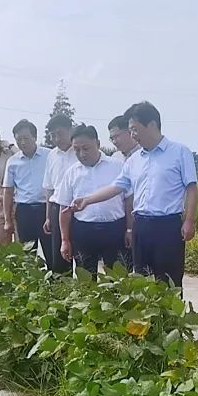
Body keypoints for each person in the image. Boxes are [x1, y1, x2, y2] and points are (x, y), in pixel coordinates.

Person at [72, 101, 198, 287]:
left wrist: (189, 221)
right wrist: (88, 200)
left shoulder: (179, 152)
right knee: (141, 280)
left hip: (168, 226)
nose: (132, 135)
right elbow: (117, 186)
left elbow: (192, 188)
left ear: (152, 125)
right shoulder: (134, 160)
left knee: (169, 281)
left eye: (134, 129)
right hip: (141, 226)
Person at [57, 124, 130, 276]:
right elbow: (64, 208)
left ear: (97, 144)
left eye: (86, 148)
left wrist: (129, 229)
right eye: (76, 150)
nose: (81, 154)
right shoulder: (71, 173)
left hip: (114, 229)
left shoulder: (118, 167)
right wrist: (65, 240)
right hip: (83, 231)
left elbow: (129, 200)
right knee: (86, 279)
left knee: (118, 279)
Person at [3, 120, 52, 262]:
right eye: (19, 139)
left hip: (46, 209)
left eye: (26, 138)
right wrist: (7, 220)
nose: (22, 142)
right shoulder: (12, 162)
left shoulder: (50, 156)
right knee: (27, 255)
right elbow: (8, 192)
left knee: (52, 253)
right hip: (24, 211)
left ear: (35, 137)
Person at [42, 114, 76, 273]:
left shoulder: (80, 151)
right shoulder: (52, 155)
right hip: (58, 209)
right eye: (52, 135)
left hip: (79, 208)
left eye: (60, 133)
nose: (56, 138)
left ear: (70, 130)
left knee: (82, 256)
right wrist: (48, 216)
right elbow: (49, 188)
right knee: (60, 256)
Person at [107, 115, 139, 269]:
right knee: (120, 265)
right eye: (111, 138)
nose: (114, 141)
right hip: (120, 219)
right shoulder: (115, 158)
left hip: (140, 217)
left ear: (129, 131)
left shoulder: (144, 154)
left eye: (117, 136)